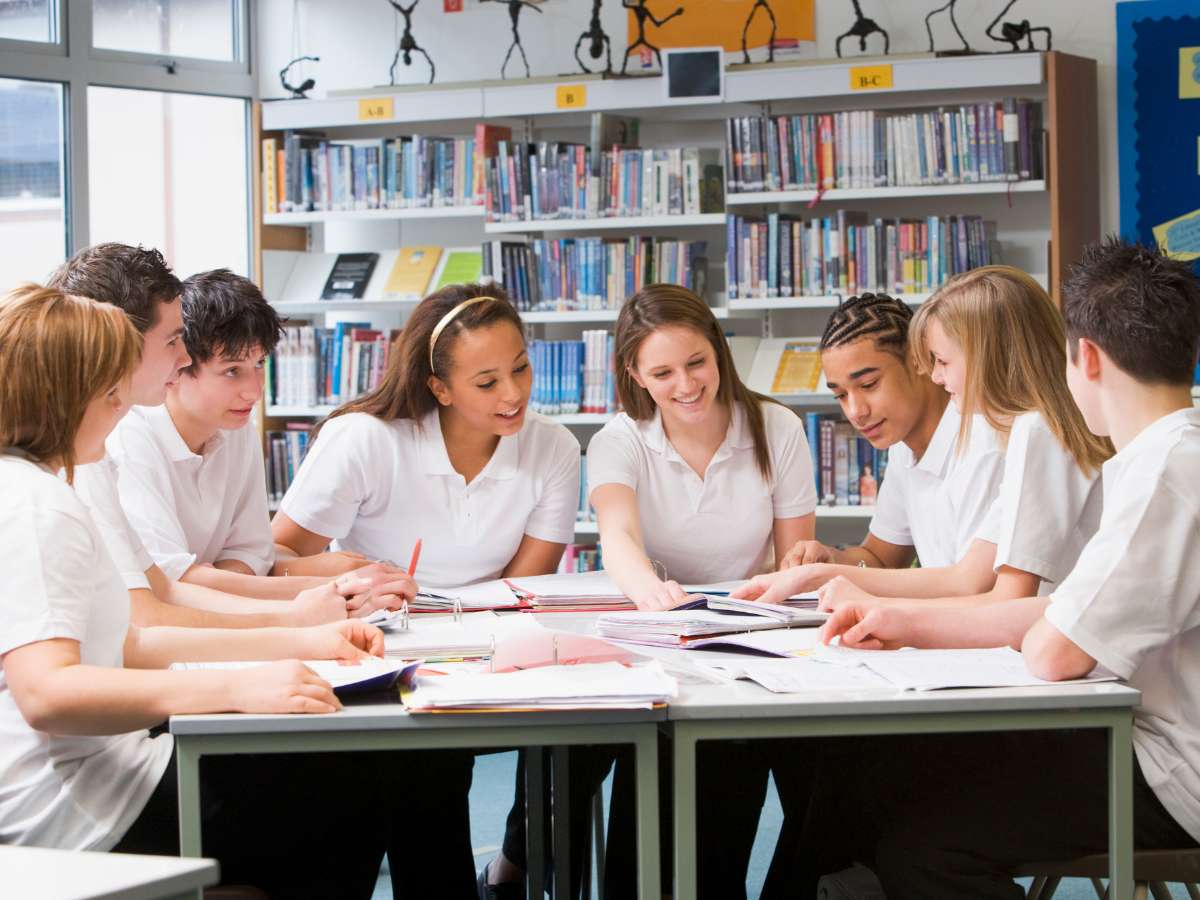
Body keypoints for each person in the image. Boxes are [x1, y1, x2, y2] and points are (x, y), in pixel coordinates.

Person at [808, 238, 1200, 900]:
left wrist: (914, 620)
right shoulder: (1163, 456)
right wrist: (905, 622)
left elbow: (1055, 650)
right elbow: (1059, 611)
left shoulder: (1166, 475)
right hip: (1146, 729)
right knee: (881, 781)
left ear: (1088, 359)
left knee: (923, 844)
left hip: (1171, 766)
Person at [0, 284, 396, 898]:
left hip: (100, 771)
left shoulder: (43, 485)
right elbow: (47, 693)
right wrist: (239, 685)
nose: (125, 406)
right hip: (71, 804)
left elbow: (128, 643)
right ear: (76, 396)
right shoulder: (35, 505)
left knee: (335, 775)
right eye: (113, 391)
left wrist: (299, 640)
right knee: (353, 784)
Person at [274, 283, 581, 900]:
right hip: (367, 651)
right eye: (487, 382)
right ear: (440, 388)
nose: (515, 393)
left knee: (425, 774)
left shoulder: (554, 447)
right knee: (409, 779)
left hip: (475, 659)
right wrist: (350, 576)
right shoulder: (366, 439)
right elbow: (275, 559)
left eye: (520, 368)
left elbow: (524, 586)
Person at [49, 243, 383, 628]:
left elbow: (184, 582)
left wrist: (300, 607)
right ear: (119, 344)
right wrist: (295, 615)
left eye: (258, 365)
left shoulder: (97, 450)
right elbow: (155, 609)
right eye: (173, 341)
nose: (184, 357)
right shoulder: (106, 448)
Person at [739, 267, 1111, 611]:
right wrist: (831, 562)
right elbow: (886, 558)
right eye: (840, 395)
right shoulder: (910, 447)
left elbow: (977, 586)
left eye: (869, 385)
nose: (855, 411)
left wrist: (847, 590)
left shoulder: (1004, 437)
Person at [108, 268, 414, 609]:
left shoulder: (235, 430)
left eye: (259, 364)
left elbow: (251, 553)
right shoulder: (130, 439)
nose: (254, 390)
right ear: (178, 366)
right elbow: (169, 582)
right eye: (231, 371)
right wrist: (335, 586)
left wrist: (217, 579)